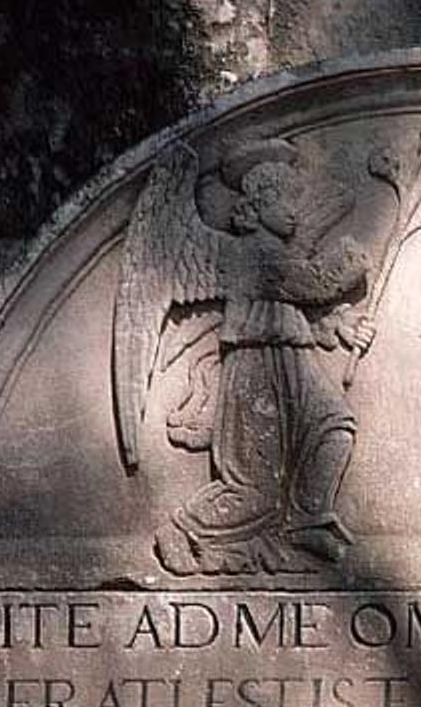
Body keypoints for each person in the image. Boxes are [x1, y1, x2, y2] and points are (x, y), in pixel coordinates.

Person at [154, 143, 375, 575]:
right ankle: (182, 529)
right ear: (257, 206)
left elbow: (290, 310)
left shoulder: (279, 253)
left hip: (295, 358)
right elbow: (310, 285)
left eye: (297, 199)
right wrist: (352, 259)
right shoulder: (251, 253)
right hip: (256, 368)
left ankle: (306, 520)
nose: (295, 210)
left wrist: (337, 326)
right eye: (285, 201)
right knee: (256, 488)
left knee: (334, 426)